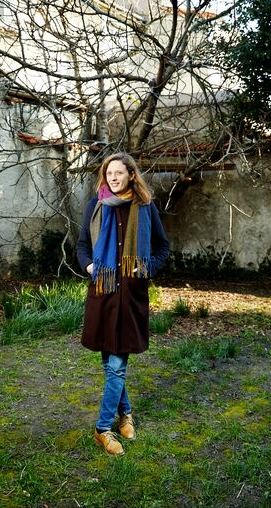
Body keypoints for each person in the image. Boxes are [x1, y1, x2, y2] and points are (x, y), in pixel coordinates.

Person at [77, 152, 170, 456]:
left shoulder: (144, 207)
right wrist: (90, 266)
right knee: (110, 364)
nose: (113, 178)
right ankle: (125, 414)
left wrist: (147, 268)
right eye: (108, 174)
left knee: (116, 365)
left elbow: (162, 246)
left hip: (130, 296)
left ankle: (102, 428)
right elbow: (81, 246)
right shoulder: (96, 206)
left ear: (131, 174)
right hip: (102, 293)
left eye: (119, 173)